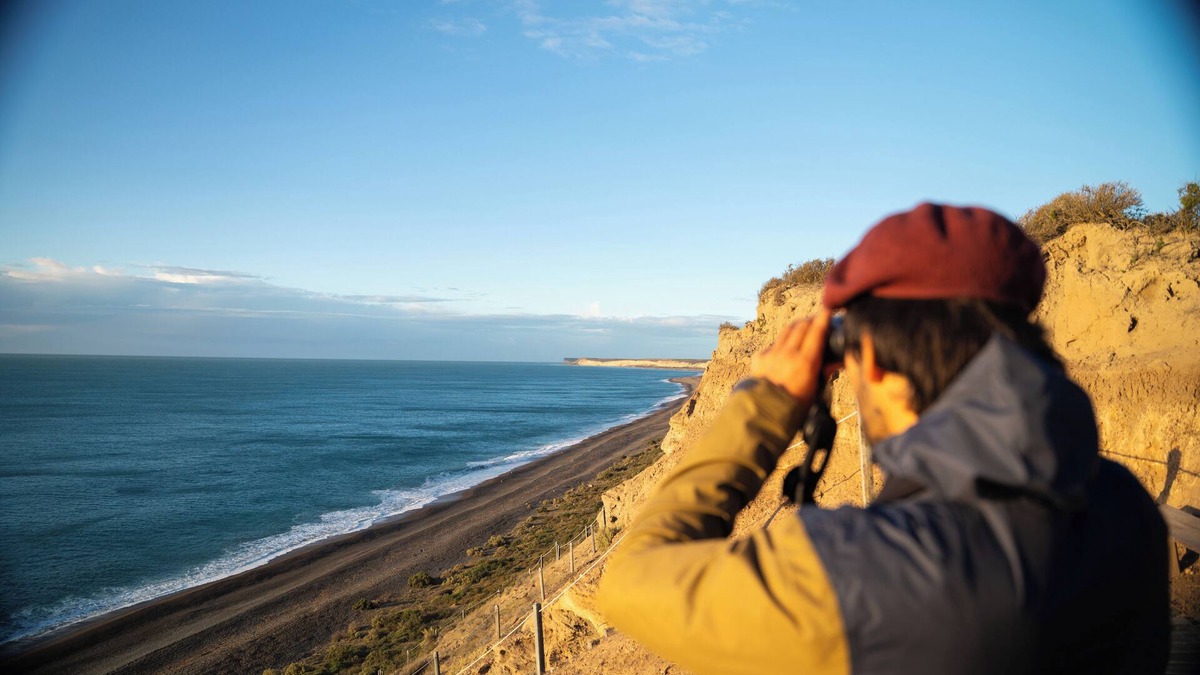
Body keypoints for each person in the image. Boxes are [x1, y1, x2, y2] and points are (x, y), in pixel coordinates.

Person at [595, 203, 1170, 674]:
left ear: (871, 364)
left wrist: (765, 402)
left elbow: (628, 580)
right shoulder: (1124, 505)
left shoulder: (863, 576)